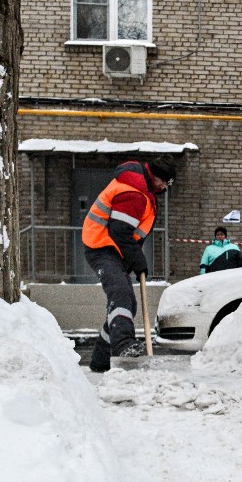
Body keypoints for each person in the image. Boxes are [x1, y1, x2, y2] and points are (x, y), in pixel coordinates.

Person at [82, 155, 177, 373]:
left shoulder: (142, 188)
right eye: (165, 181)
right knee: (120, 293)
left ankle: (100, 361)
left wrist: (134, 258)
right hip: (102, 245)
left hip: (112, 248)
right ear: (156, 176)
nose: (165, 186)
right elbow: (120, 232)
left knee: (127, 304)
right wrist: (138, 260)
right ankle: (123, 345)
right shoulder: (134, 192)